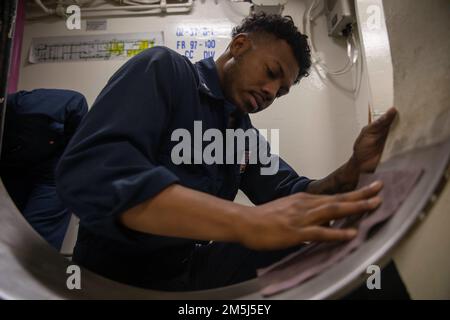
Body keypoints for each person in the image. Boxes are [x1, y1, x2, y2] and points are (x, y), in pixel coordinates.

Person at [55, 13, 397, 291]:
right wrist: (248, 222)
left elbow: (289, 192)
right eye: (271, 73)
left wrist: (352, 170)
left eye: (281, 91)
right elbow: (95, 175)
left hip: (184, 271)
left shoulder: (241, 134)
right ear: (239, 45)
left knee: (300, 247)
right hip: (114, 277)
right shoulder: (165, 70)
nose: (270, 92)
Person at [1, 88, 88, 250]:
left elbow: (76, 104)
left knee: (35, 238)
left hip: (52, 166)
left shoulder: (25, 106)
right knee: (9, 228)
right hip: (14, 166)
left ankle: (31, 270)